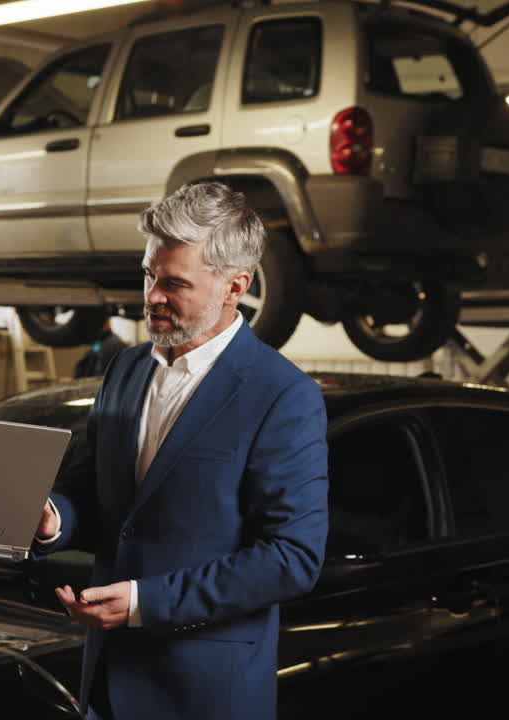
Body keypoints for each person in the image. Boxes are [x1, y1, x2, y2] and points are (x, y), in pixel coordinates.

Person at [34, 181, 330, 720]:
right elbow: (89, 488)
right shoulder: (125, 369)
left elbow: (293, 558)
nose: (150, 297)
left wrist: (148, 603)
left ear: (234, 286)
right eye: (148, 274)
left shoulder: (283, 396)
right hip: (108, 683)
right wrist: (53, 518)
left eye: (173, 283)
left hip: (206, 694)